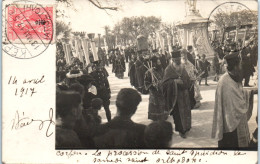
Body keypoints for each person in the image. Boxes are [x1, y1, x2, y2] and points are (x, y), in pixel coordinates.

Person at [211, 51, 257, 148]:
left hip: (237, 122)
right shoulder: (224, 83)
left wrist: (252, 92)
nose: (241, 67)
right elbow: (236, 106)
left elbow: (239, 93)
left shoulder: (234, 77)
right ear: (235, 67)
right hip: (230, 126)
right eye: (240, 65)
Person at [162, 50, 192, 138]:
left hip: (185, 95)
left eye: (179, 60)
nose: (179, 62)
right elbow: (164, 84)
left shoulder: (183, 68)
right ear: (173, 60)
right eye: (177, 60)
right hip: (175, 96)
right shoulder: (168, 70)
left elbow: (187, 80)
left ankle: (187, 127)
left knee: (186, 112)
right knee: (178, 114)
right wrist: (174, 82)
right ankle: (181, 130)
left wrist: (189, 82)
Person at [144, 56, 168, 121]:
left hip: (161, 91)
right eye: (158, 62)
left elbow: (165, 79)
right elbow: (146, 83)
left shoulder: (162, 69)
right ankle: (154, 117)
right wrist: (152, 85)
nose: (159, 64)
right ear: (154, 63)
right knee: (155, 104)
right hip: (154, 93)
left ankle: (163, 116)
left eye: (159, 62)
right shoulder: (149, 72)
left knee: (162, 104)